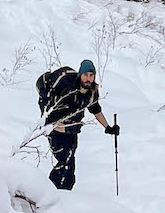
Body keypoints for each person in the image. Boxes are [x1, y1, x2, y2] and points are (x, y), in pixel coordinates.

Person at [36, 59, 118, 191]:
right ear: (80, 74)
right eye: (86, 75)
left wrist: (107, 127)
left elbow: (95, 109)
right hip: (56, 130)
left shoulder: (91, 92)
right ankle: (49, 193)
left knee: (69, 164)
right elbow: (48, 108)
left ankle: (62, 194)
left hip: (72, 130)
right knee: (65, 162)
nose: (88, 79)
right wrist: (55, 125)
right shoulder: (67, 88)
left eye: (91, 75)